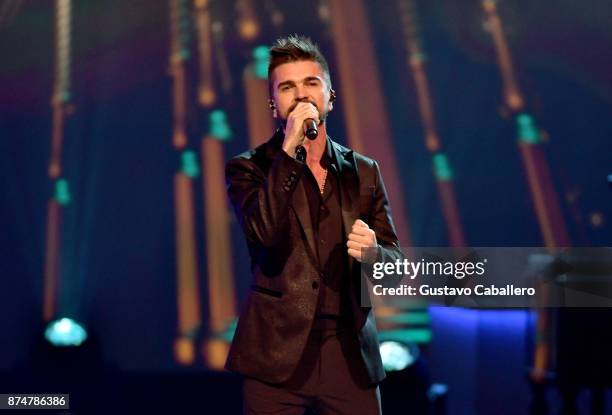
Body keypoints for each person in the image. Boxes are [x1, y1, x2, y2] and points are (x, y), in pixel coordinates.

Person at [225, 34, 402, 415]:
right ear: (274, 104)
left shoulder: (364, 171)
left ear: (330, 97)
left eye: (311, 83)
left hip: (348, 355)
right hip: (276, 357)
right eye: (287, 87)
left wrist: (373, 254)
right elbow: (263, 232)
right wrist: (288, 152)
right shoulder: (249, 169)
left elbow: (394, 271)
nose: (301, 95)